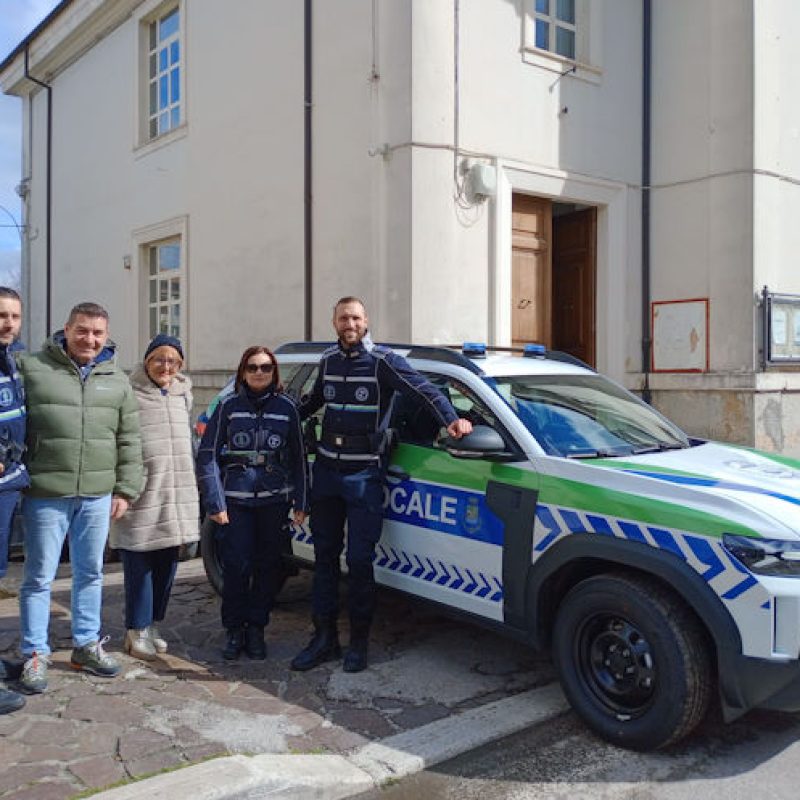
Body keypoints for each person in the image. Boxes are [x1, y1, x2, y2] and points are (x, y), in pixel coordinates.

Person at [290, 296, 472, 674]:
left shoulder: (384, 362)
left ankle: (358, 644)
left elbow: (423, 390)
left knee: (359, 562)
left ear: (366, 320)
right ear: (334, 322)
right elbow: (311, 403)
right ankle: (323, 639)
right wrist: (275, 416)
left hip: (364, 476)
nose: (349, 323)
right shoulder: (327, 361)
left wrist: (451, 419)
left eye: (355, 317)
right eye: (343, 318)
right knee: (324, 560)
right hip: (326, 473)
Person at [17, 302, 143, 693]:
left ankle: (86, 644)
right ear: (66, 330)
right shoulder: (33, 368)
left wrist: (125, 488)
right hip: (46, 493)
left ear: (106, 336)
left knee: (90, 573)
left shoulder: (117, 379)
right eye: (82, 331)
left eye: (97, 333)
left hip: (97, 496)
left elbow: (129, 438)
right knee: (39, 578)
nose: (90, 339)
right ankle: (35, 653)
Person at [197, 346, 308, 661]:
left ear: (274, 373)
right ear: (242, 372)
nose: (259, 373)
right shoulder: (228, 407)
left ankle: (257, 629)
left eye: (265, 368)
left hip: (274, 502)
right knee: (236, 568)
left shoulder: (287, 409)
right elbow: (207, 456)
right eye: (252, 367)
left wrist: (301, 500)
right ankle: (234, 630)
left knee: (267, 568)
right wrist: (214, 501)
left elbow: (299, 458)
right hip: (236, 503)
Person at [109, 334, 199, 661]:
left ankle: (153, 625)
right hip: (141, 494)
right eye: (159, 359)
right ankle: (135, 628)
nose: (165, 366)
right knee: (139, 565)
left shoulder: (183, 394)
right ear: (146, 361)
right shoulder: (128, 394)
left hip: (176, 495)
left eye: (173, 361)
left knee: (166, 566)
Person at [0, 287, 28, 715]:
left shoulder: (12, 362)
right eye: (1, 315)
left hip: (9, 484)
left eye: (14, 316)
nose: (7, 322)